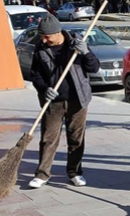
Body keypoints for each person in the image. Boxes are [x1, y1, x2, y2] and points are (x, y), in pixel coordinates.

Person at [27, 14, 100, 189]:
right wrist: (45, 89)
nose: (44, 40)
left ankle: (75, 172)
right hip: (53, 102)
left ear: (57, 33)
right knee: (48, 138)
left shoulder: (76, 44)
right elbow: (35, 75)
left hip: (78, 100)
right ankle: (42, 174)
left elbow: (94, 67)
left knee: (76, 138)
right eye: (42, 37)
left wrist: (86, 52)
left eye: (47, 37)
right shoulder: (40, 49)